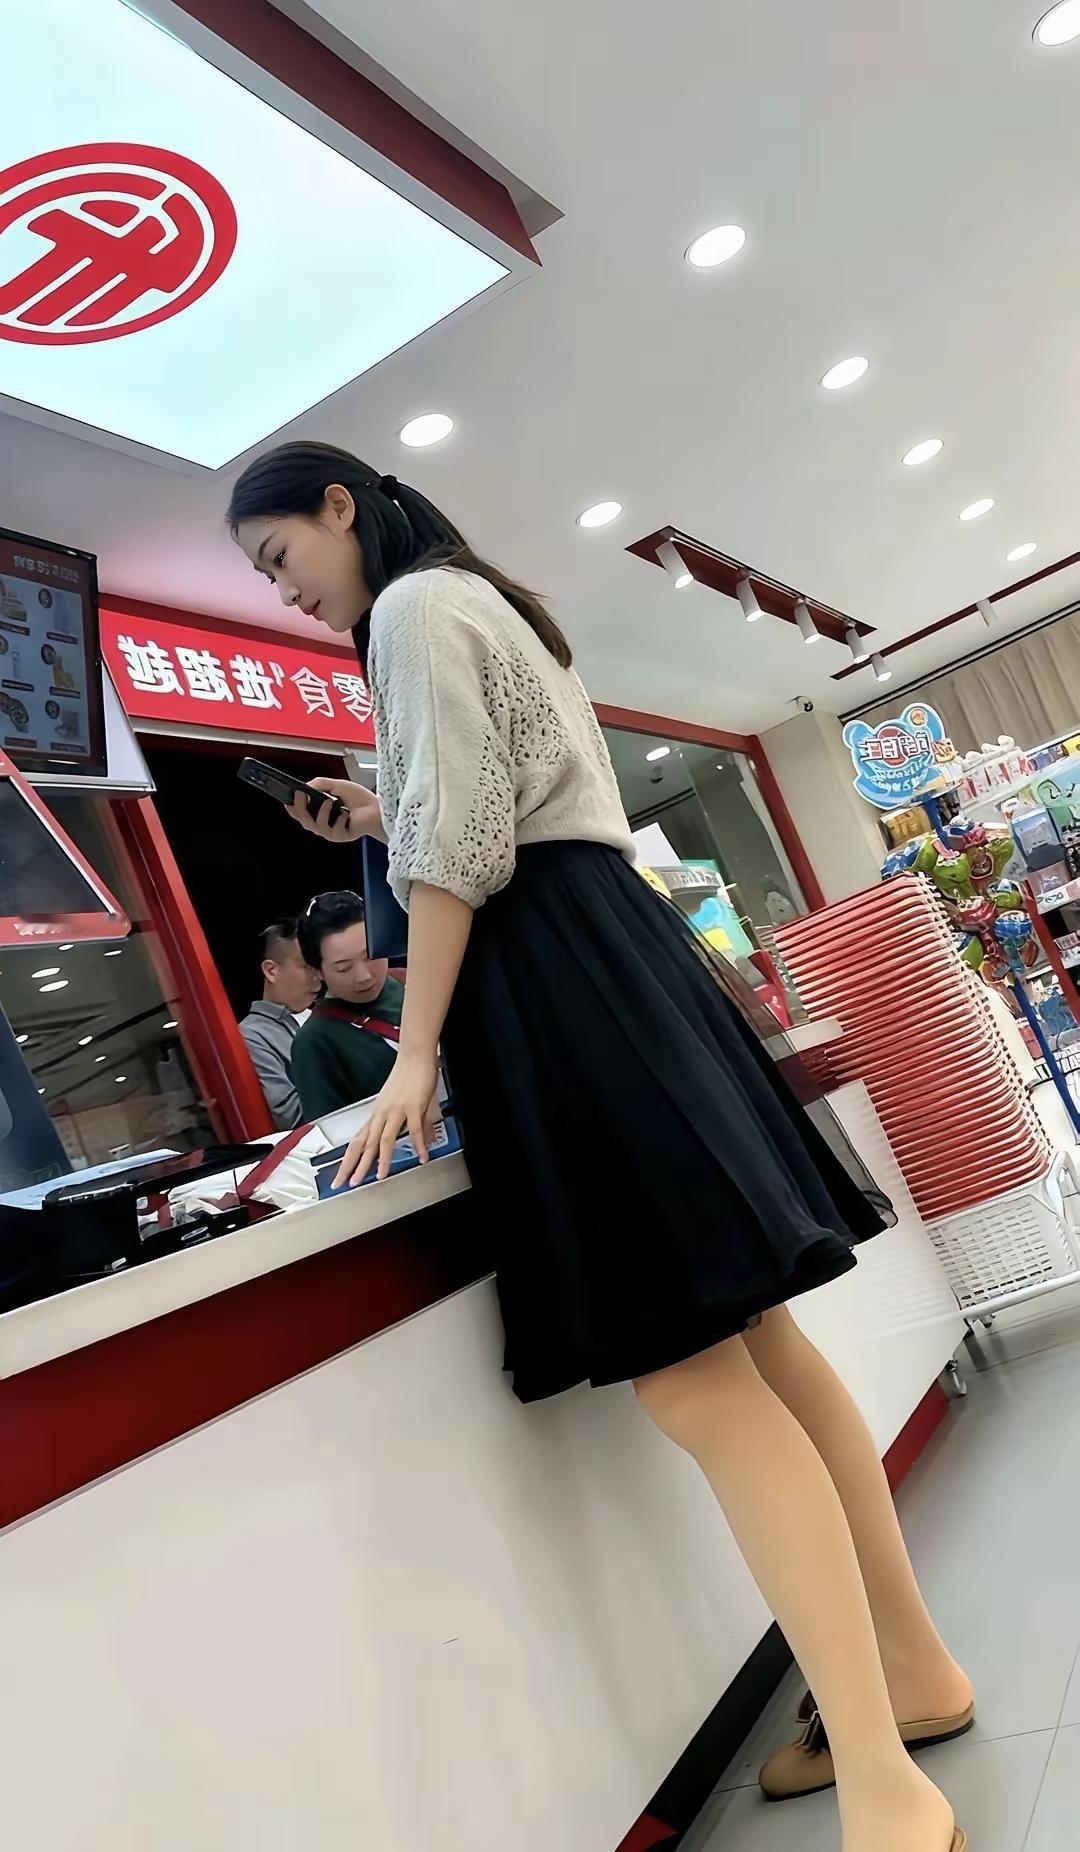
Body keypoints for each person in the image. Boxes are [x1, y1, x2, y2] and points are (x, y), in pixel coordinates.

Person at [227, 441, 969, 1852]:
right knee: (760, 1348)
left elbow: (459, 855)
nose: (286, 593)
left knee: (697, 1383)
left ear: (339, 507)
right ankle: (913, 1681)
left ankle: (882, 1771)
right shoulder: (480, 597)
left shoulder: (410, 611)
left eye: (280, 559)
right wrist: (379, 816)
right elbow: (488, 812)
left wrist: (419, 1050)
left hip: (555, 987)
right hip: (610, 953)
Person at [290, 889, 405, 1119]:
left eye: (370, 956)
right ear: (316, 971)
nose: (364, 976)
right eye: (343, 968)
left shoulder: (408, 982)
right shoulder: (314, 1042)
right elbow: (332, 1128)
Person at [238, 918, 320, 1130]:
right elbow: (291, 1117)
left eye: (319, 965)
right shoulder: (252, 1035)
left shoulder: (331, 1011)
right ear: (271, 971)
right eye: (307, 966)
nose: (318, 976)